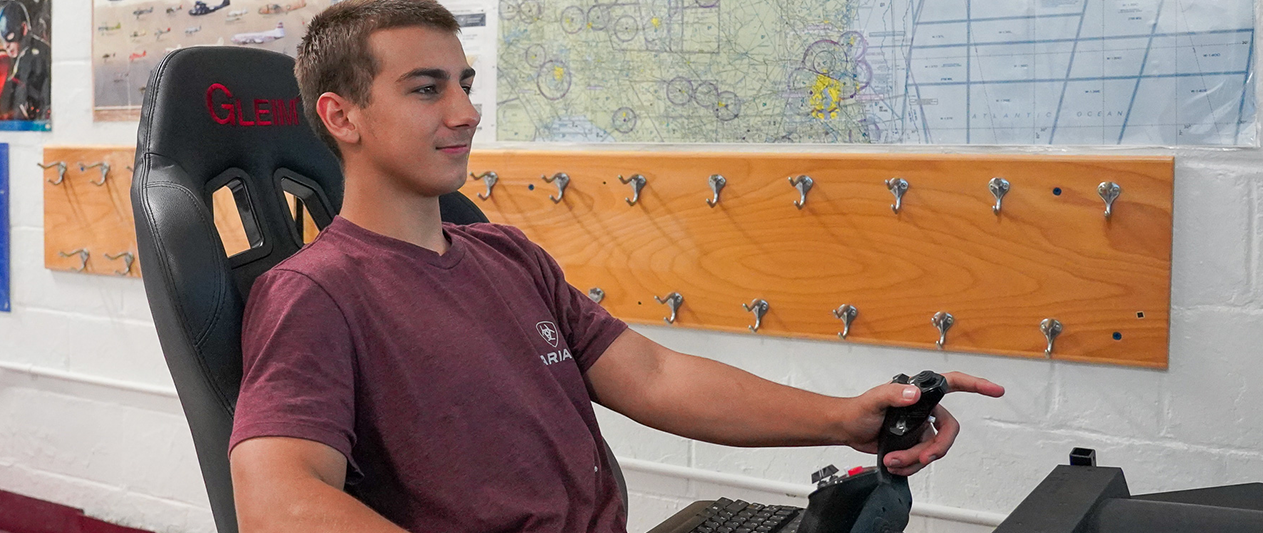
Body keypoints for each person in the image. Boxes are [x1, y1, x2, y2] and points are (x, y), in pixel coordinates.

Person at [226, 1, 1006, 532]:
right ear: (341, 115)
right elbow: (276, 499)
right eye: (427, 89)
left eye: (465, 83)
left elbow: (658, 378)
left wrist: (844, 418)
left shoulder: (507, 255)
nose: (465, 112)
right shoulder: (315, 291)